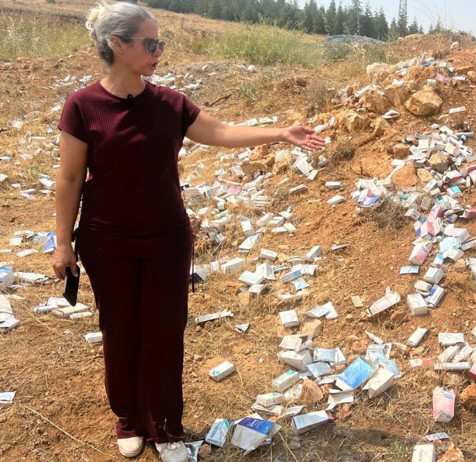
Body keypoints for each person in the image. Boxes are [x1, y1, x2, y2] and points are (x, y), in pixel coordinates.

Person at [52, 2, 325, 460]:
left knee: (165, 329)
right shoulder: (82, 106)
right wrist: (63, 243)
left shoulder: (170, 103)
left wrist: (280, 133)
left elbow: (219, 131)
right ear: (117, 45)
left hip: (166, 238)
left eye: (161, 43)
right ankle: (128, 418)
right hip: (106, 239)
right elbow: (69, 179)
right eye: (150, 43)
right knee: (121, 330)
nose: (159, 51)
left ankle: (163, 422)